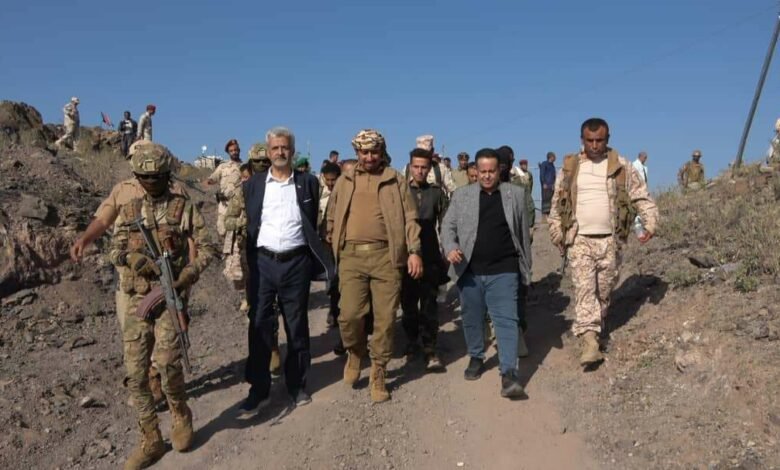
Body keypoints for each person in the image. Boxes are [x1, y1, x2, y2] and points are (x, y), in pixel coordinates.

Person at [107, 142, 216, 469]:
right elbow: (114, 250)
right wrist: (131, 258)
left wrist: (188, 275)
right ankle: (150, 438)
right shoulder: (129, 211)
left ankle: (180, 415)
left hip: (170, 296)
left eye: (157, 177)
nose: (151, 182)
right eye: (145, 177)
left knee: (168, 364)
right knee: (135, 374)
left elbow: (207, 248)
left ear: (167, 175)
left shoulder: (183, 207)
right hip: (136, 298)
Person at [548, 118, 658, 367]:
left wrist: (650, 223)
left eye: (600, 140)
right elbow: (556, 205)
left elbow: (641, 196)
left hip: (610, 240)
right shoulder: (570, 168)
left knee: (604, 291)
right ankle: (589, 341)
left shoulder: (621, 166)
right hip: (579, 240)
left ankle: (597, 327)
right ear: (582, 140)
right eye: (590, 140)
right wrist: (557, 234)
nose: (595, 145)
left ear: (608, 139)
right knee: (584, 289)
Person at [240, 127, 334, 412]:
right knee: (259, 324)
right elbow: (250, 221)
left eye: (284, 148)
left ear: (292, 151)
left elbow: (312, 220)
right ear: (268, 152)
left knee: (296, 325)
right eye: (275, 148)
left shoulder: (307, 183)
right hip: (263, 263)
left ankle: (297, 385)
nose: (280, 152)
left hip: (296, 263)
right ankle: (259, 389)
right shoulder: (254, 185)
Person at [326, 129, 423, 403]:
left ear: (382, 152)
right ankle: (355, 352)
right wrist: (330, 235)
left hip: (386, 258)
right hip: (351, 257)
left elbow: (410, 218)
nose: (369, 157)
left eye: (374, 152)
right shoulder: (345, 180)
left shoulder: (395, 180)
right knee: (349, 315)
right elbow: (332, 214)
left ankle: (379, 369)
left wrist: (414, 251)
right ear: (357, 153)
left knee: (386, 318)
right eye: (364, 152)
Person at [441, 148, 531, 399]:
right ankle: (476, 356)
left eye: (492, 171)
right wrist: (450, 247)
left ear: (499, 170)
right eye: (483, 171)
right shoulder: (462, 196)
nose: (487, 176)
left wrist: (526, 270)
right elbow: (448, 226)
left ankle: (509, 373)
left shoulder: (515, 195)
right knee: (472, 317)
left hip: (504, 269)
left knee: (506, 320)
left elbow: (523, 235)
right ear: (476, 171)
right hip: (470, 270)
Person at [224, 143, 283, 373]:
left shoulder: (280, 188)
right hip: (252, 255)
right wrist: (247, 222)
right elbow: (229, 220)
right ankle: (259, 353)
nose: (261, 166)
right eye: (257, 162)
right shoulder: (244, 189)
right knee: (256, 306)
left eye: (265, 162)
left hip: (274, 254)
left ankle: (273, 347)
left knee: (272, 305)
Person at [401, 148, 448, 371]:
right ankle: (411, 342)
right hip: (406, 254)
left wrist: (447, 250)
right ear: (410, 167)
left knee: (429, 303)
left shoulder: (436, 193)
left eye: (424, 167)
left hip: (429, 253)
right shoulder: (400, 191)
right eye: (416, 167)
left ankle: (430, 347)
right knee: (408, 303)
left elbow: (445, 223)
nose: (420, 171)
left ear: (430, 168)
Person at [319, 161, 342, 329]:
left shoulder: (345, 193)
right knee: (333, 280)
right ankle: (334, 311)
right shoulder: (322, 195)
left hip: (344, 245)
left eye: (333, 180)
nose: (330, 183)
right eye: (327, 180)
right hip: (328, 245)